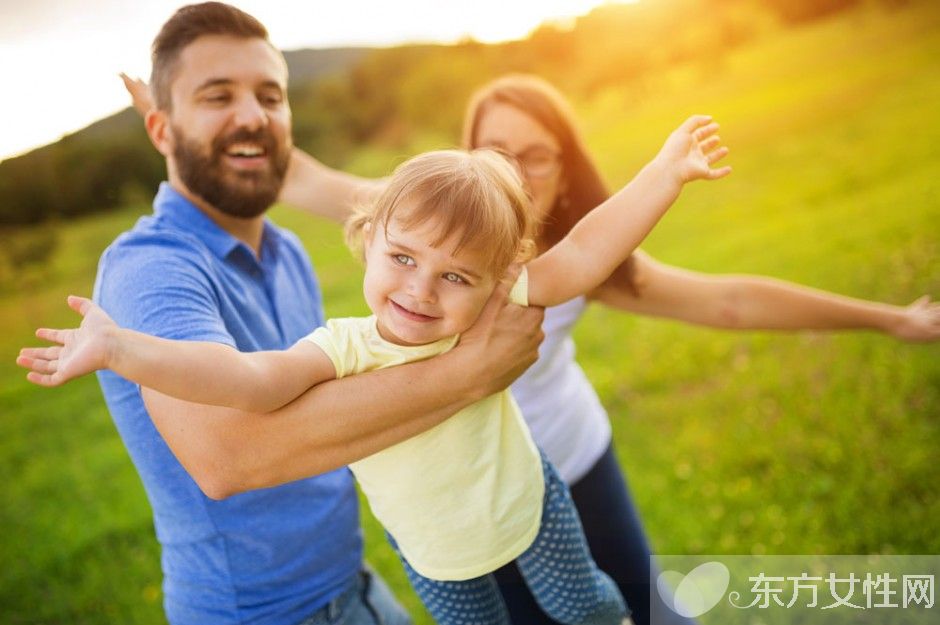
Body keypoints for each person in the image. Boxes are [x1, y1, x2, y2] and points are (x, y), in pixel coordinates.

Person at [19, 114, 731, 623]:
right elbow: (246, 380)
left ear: (496, 278)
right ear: (368, 241)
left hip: (528, 502)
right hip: (431, 548)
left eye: (456, 275)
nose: (422, 290)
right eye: (404, 258)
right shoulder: (344, 346)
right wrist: (120, 349)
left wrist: (665, 173)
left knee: (589, 607)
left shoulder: (492, 304)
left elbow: (582, 252)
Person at [17, 4, 550, 624]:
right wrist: (470, 373)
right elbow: (229, 456)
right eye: (218, 97)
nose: (252, 115)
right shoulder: (150, 267)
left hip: (352, 583)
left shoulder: (286, 250)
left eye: (270, 96)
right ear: (161, 131)